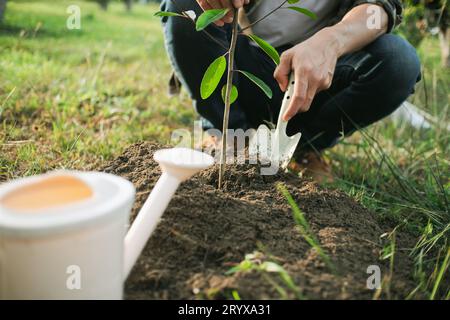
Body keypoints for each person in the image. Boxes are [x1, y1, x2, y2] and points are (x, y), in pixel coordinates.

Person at [160, 0, 421, 182]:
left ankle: (304, 148)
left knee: (398, 60)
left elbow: (381, 7)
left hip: (319, 82)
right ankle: (229, 136)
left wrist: (331, 42)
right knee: (184, 4)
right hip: (246, 67)